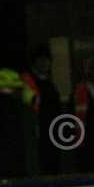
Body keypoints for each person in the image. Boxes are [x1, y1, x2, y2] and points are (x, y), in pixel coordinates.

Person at [20, 44, 62, 175]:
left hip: (52, 134)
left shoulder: (49, 83)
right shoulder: (27, 81)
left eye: (47, 60)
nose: (45, 63)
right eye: (41, 59)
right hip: (35, 135)